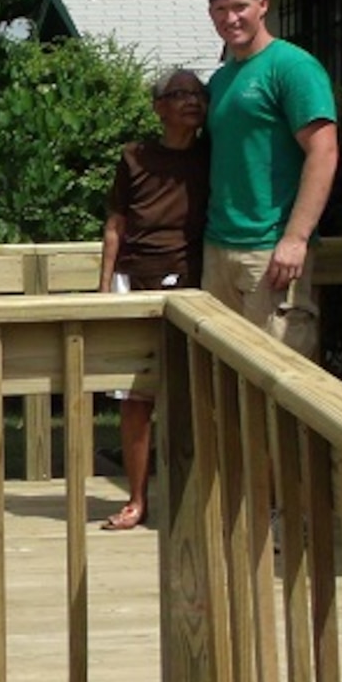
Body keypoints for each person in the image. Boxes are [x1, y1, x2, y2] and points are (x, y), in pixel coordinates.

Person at [200, 0, 339, 356]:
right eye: (220, 10)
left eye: (240, 6)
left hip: (269, 250)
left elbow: (324, 150)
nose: (231, 18)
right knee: (223, 374)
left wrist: (295, 239)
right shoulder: (223, 80)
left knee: (277, 376)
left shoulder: (292, 67)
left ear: (263, 5)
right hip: (219, 246)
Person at [97, 68, 209, 531]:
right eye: (179, 95)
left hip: (193, 283)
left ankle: (193, 499)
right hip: (133, 279)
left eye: (198, 95)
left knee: (193, 395)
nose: (191, 102)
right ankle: (137, 500)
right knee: (137, 398)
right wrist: (104, 289)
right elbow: (115, 223)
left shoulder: (212, 156)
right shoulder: (134, 157)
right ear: (158, 107)